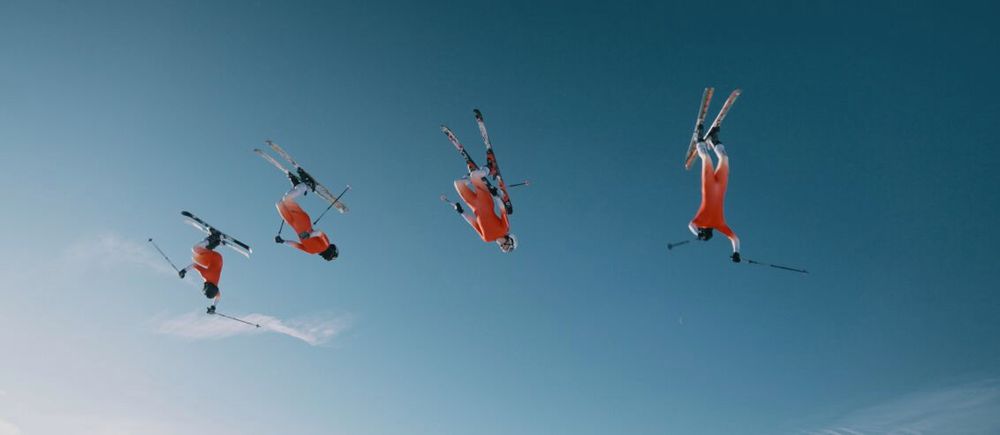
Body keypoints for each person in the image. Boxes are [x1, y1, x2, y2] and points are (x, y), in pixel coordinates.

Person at [688, 129, 741, 262]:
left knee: (707, 158)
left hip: (709, 184)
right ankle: (713, 139)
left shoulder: (703, 221)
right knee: (724, 158)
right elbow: (734, 238)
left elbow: (691, 226)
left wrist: (736, 252)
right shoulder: (719, 224)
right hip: (721, 185)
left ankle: (698, 139)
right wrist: (736, 253)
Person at [274, 173, 339, 261]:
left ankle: (298, 187)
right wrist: (309, 235)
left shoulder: (311, 252)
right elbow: (319, 233)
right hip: (303, 221)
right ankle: (306, 185)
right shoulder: (326, 244)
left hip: (293, 224)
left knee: (279, 203)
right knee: (287, 199)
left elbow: (296, 245)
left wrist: (283, 241)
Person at [451, 167, 517, 253]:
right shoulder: (505, 229)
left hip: (473, 205)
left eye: (504, 250)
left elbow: (473, 224)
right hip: (486, 201)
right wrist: (496, 196)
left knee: (458, 183)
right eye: (507, 248)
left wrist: (462, 212)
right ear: (510, 241)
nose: (503, 248)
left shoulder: (486, 238)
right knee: (474, 175)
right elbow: (502, 210)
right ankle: (490, 169)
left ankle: (470, 180)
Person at [178, 232, 223, 312]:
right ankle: (212, 238)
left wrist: (213, 307)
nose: (203, 286)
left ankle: (216, 242)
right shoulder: (206, 275)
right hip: (214, 258)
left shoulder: (216, 288)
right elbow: (195, 265)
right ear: (207, 287)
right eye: (204, 288)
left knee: (199, 256)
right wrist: (184, 271)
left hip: (217, 260)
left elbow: (218, 297)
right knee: (195, 249)